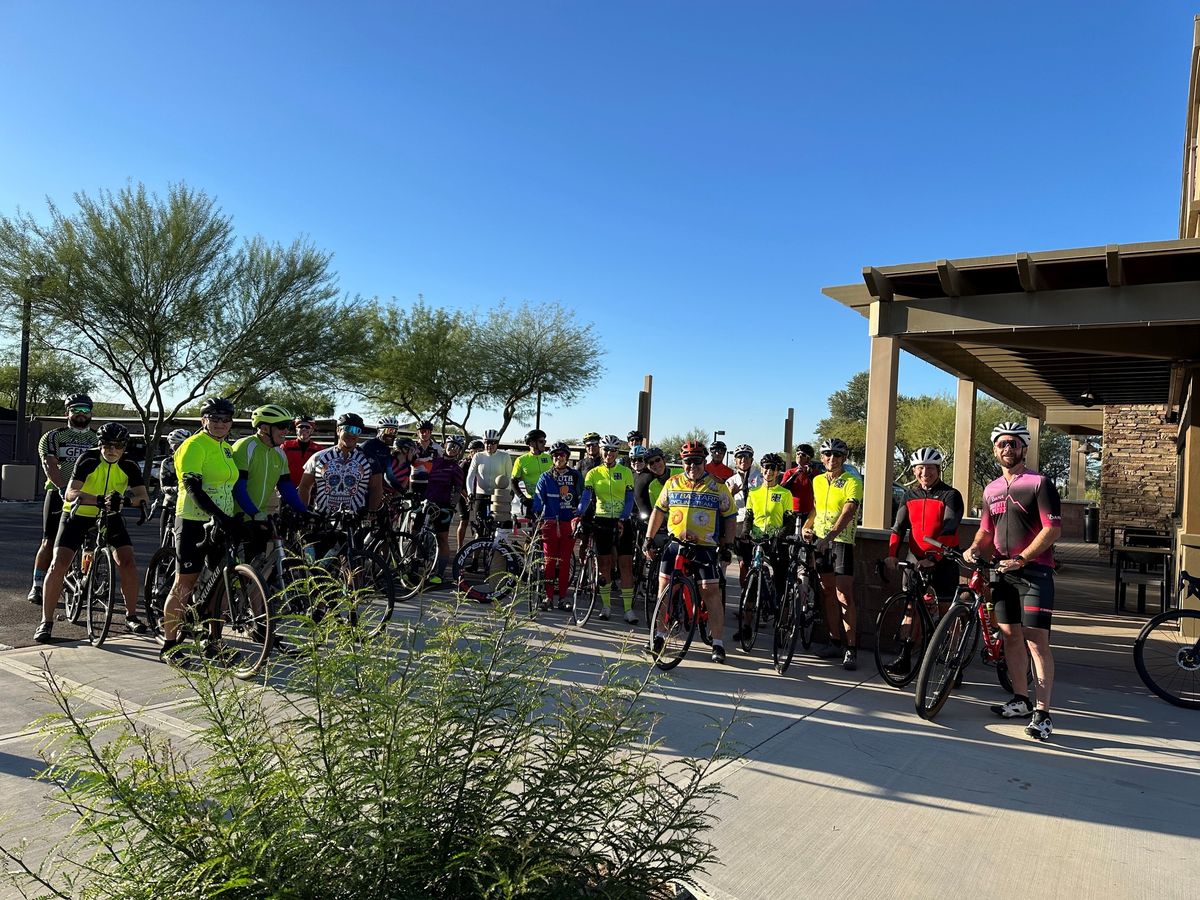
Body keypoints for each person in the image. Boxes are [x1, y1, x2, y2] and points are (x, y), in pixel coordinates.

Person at [964, 422, 1062, 741]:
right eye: (1002, 443)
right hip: (1003, 572)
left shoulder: (1039, 483)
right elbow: (986, 529)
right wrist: (975, 547)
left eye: (1014, 443)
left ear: (1024, 448)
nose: (1008, 448)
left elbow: (1052, 529)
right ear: (995, 449)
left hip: (1035, 573)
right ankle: (1020, 699)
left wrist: (1023, 558)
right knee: (1010, 638)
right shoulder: (991, 489)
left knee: (1036, 640)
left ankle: (1043, 713)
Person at [33, 423, 151, 642]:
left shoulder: (129, 465)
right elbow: (70, 492)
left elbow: (143, 496)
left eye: (117, 446)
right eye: (107, 444)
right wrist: (97, 499)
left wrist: (125, 500)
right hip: (78, 514)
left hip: (110, 515)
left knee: (127, 561)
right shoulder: (88, 459)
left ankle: (131, 615)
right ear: (100, 444)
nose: (111, 450)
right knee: (59, 564)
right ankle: (46, 621)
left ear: (124, 447)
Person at [161, 398, 244, 661]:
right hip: (193, 520)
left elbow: (228, 486)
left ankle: (213, 643)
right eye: (214, 418)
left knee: (219, 583)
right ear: (203, 420)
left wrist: (237, 517)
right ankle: (170, 645)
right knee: (185, 583)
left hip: (221, 521)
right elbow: (193, 488)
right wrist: (218, 515)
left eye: (226, 419)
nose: (220, 423)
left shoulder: (226, 448)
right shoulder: (193, 446)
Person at [644, 440, 736, 663]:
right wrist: (648, 538)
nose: (692, 466)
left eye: (696, 461)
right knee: (665, 589)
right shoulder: (672, 483)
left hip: (704, 546)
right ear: (682, 462)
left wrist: (727, 545)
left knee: (710, 591)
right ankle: (659, 636)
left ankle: (718, 643)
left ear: (704, 461)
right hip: (675, 545)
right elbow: (658, 511)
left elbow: (730, 516)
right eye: (687, 462)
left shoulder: (717, 485)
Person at [884, 447, 965, 676]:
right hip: (916, 558)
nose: (924, 472)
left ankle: (953, 662)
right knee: (911, 608)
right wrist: (891, 553)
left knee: (947, 611)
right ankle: (905, 656)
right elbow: (899, 527)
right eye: (920, 468)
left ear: (938, 469)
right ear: (914, 470)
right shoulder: (910, 495)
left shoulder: (950, 495)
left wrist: (934, 557)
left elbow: (950, 526)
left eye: (930, 467)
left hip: (943, 558)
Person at [29, 394, 97, 606]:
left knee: (90, 543)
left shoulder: (97, 439)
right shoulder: (54, 436)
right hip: (59, 494)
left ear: (91, 414)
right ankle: (37, 585)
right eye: (76, 409)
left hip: (89, 496)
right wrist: (61, 487)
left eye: (85, 410)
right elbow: (50, 464)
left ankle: (85, 581)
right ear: (66, 412)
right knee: (49, 540)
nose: (81, 414)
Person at [804, 437, 863, 671]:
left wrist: (829, 537)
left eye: (837, 455)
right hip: (820, 541)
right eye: (828, 454)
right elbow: (816, 508)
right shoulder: (817, 480)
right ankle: (834, 641)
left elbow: (849, 510)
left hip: (841, 541)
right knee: (827, 593)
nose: (832, 458)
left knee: (844, 596)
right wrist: (807, 526)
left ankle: (851, 648)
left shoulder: (852, 480)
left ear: (844, 458)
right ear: (822, 457)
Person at [231, 405, 309, 563]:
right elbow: (238, 487)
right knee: (230, 572)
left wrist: (303, 511)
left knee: (257, 568)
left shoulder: (279, 453)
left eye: (287, 426)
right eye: (281, 426)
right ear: (264, 428)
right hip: (235, 517)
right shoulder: (245, 446)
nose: (286, 431)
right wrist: (254, 513)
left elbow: (286, 487)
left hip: (258, 518)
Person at [576, 434, 637, 623]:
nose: (609, 453)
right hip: (601, 521)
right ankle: (606, 606)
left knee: (626, 565)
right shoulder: (593, 473)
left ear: (617, 452)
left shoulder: (625, 471)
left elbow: (629, 498)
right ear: (601, 451)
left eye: (613, 450)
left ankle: (628, 610)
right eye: (606, 449)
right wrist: (579, 513)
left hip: (622, 521)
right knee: (605, 566)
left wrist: (623, 517)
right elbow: (586, 497)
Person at [736, 452, 792, 639]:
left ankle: (782, 625)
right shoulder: (754, 492)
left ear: (778, 472)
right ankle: (746, 626)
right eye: (766, 467)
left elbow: (789, 521)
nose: (768, 471)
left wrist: (780, 536)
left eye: (773, 468)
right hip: (757, 541)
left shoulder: (785, 494)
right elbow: (749, 516)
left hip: (777, 542)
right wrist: (745, 532)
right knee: (751, 584)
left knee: (780, 583)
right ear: (761, 469)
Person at [298, 413, 383, 517]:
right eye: (348, 429)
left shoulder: (370, 460)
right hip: (322, 520)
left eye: (357, 430)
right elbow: (304, 486)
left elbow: (376, 488)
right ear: (338, 430)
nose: (352, 434)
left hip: (355, 522)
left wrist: (371, 513)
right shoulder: (318, 457)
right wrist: (303, 512)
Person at [532, 441, 583, 610]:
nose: (558, 458)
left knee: (565, 562)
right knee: (549, 562)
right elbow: (539, 498)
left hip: (569, 523)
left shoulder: (576, 476)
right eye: (554, 455)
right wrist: (537, 515)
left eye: (561, 455)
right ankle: (548, 598)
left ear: (567, 457)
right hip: (550, 523)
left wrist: (580, 515)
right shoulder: (545, 477)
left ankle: (562, 597)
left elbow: (583, 497)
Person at [422, 446, 467, 585]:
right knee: (419, 536)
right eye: (450, 445)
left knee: (442, 539)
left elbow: (458, 490)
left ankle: (440, 574)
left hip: (443, 507)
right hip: (427, 503)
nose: (452, 449)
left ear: (459, 451)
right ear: (445, 445)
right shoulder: (434, 461)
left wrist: (451, 508)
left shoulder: (456, 469)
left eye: (456, 447)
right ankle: (416, 570)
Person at [726, 444, 763, 588]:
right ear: (735, 460)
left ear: (751, 459)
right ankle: (745, 597)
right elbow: (724, 504)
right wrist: (731, 493)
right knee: (743, 562)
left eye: (746, 456)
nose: (743, 460)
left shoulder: (759, 477)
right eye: (740, 457)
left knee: (757, 560)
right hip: (740, 523)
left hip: (757, 522)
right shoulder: (731, 480)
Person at [467, 430, 511, 528]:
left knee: (498, 527)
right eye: (486, 442)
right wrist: (470, 493)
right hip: (481, 495)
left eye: (493, 442)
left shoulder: (504, 456)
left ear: (497, 443)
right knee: (479, 526)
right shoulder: (478, 456)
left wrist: (508, 493)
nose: (489, 445)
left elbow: (509, 477)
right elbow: (470, 476)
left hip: (498, 496)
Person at [157, 427, 191, 544]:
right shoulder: (167, 462)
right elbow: (163, 486)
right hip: (170, 503)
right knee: (164, 537)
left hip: (187, 505)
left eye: (185, 445)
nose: (182, 448)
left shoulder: (193, 460)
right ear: (172, 446)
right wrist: (179, 489)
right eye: (178, 445)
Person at [511, 428, 552, 519]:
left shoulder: (550, 458)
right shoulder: (521, 460)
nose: (544, 444)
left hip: (550, 499)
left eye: (545, 441)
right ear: (532, 443)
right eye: (541, 441)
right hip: (533, 500)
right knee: (535, 530)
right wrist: (522, 498)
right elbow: (513, 482)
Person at [780, 443, 816, 535]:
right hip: (792, 512)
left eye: (803, 455)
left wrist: (809, 475)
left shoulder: (815, 473)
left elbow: (818, 490)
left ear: (808, 458)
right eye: (797, 454)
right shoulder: (790, 472)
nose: (799, 456)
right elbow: (783, 490)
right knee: (787, 537)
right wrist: (795, 475)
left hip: (808, 513)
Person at [281, 414, 324, 486]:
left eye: (307, 427)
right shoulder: (286, 446)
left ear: (312, 430)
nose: (304, 429)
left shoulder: (319, 450)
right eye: (300, 426)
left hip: (310, 491)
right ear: (296, 429)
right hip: (288, 489)